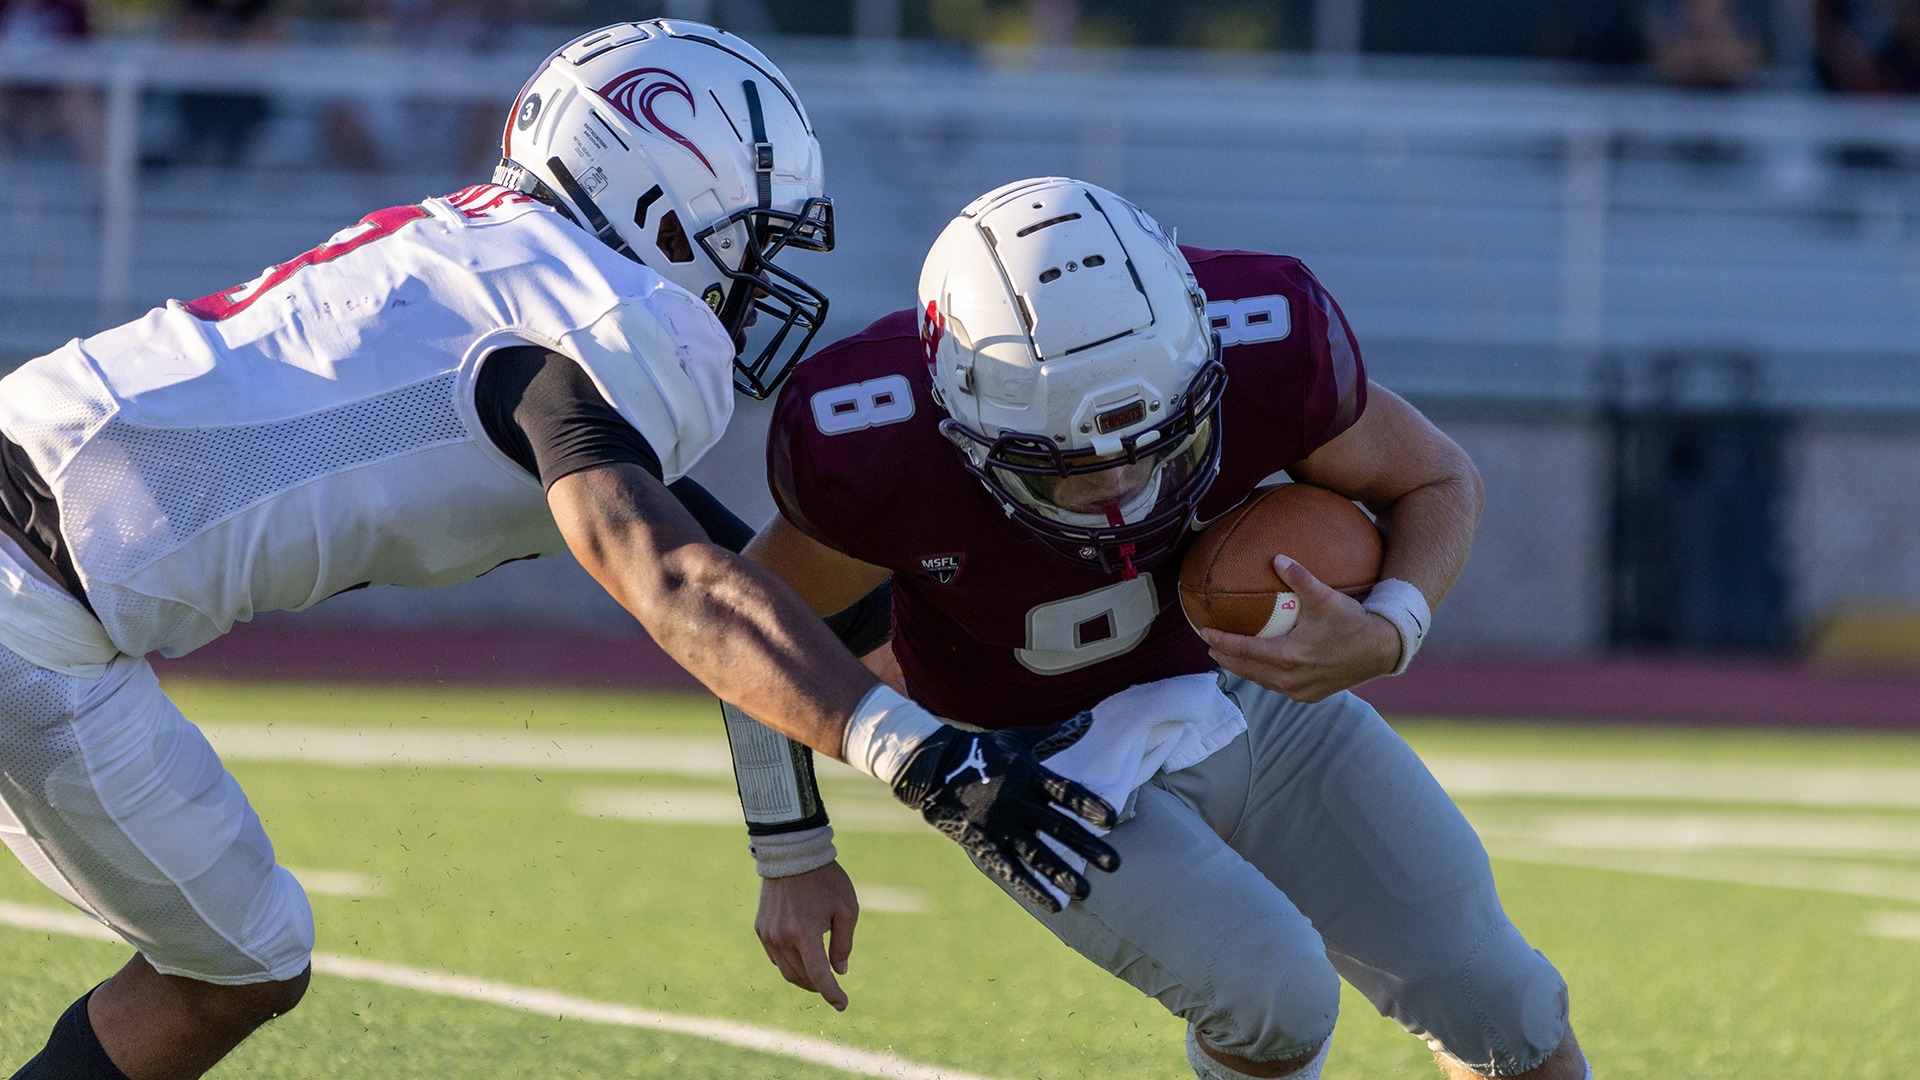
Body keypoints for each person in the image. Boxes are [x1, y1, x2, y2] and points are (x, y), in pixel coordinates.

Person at [0, 30, 1117, 1080]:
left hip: (35, 549)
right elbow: (676, 585)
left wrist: (814, 832)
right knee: (241, 962)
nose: (756, 275)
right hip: (36, 603)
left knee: (243, 953)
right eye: (755, 237)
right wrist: (923, 763)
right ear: (664, 203)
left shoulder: (488, 267)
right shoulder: (595, 316)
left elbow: (748, 594)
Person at [736, 177, 1594, 1079]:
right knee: (1274, 996)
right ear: (964, 414)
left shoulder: (1264, 341)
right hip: (1033, 769)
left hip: (1244, 693)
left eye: (1159, 441)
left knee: (1503, 1003)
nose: (1119, 489)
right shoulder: (878, 439)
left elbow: (1437, 478)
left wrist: (1390, 628)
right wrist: (791, 850)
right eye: (1063, 466)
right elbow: (742, 627)